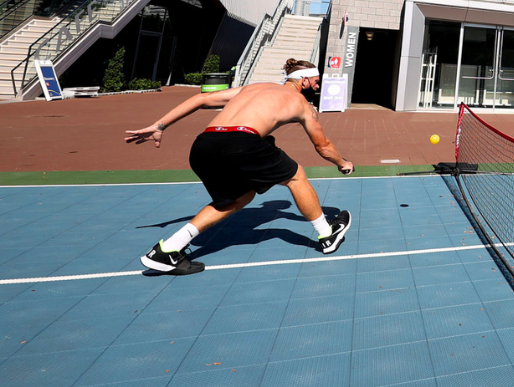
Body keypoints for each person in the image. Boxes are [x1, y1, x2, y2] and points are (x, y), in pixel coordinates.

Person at [126, 59, 354, 275]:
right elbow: (322, 146)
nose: (317, 85)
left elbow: (200, 99)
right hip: (241, 142)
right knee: (296, 176)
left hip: (204, 145)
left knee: (240, 197)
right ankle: (327, 235)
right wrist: (343, 163)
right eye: (315, 81)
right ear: (303, 81)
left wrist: (159, 125)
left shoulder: (254, 87)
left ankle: (166, 251)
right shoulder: (301, 103)